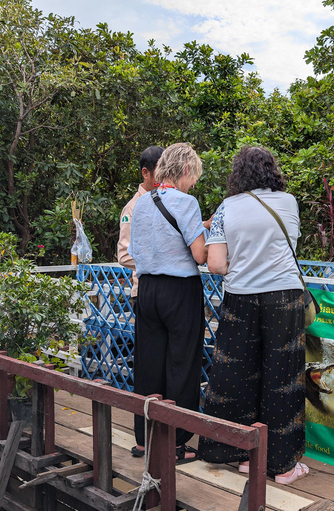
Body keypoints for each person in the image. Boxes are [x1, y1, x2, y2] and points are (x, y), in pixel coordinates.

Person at [198, 146, 308, 485]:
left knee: (236, 374)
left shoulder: (226, 208)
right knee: (282, 377)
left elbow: (215, 264)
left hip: (240, 297)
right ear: (272, 170)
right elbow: (289, 244)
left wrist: (243, 267)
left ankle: (237, 452)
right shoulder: (288, 202)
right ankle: (282, 465)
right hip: (284, 298)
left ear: (239, 174)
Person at [127, 143, 207, 462]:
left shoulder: (142, 203)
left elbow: (137, 249)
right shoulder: (187, 202)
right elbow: (200, 255)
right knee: (182, 364)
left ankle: (145, 440)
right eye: (194, 177)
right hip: (179, 290)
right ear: (185, 171)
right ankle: (176, 443)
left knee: (148, 364)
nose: (193, 184)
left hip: (146, 289)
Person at [117, 146, 163, 308]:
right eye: (161, 172)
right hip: (145, 291)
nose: (165, 178)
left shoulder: (169, 200)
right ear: (145, 173)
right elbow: (124, 255)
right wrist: (163, 260)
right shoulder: (132, 208)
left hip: (168, 290)